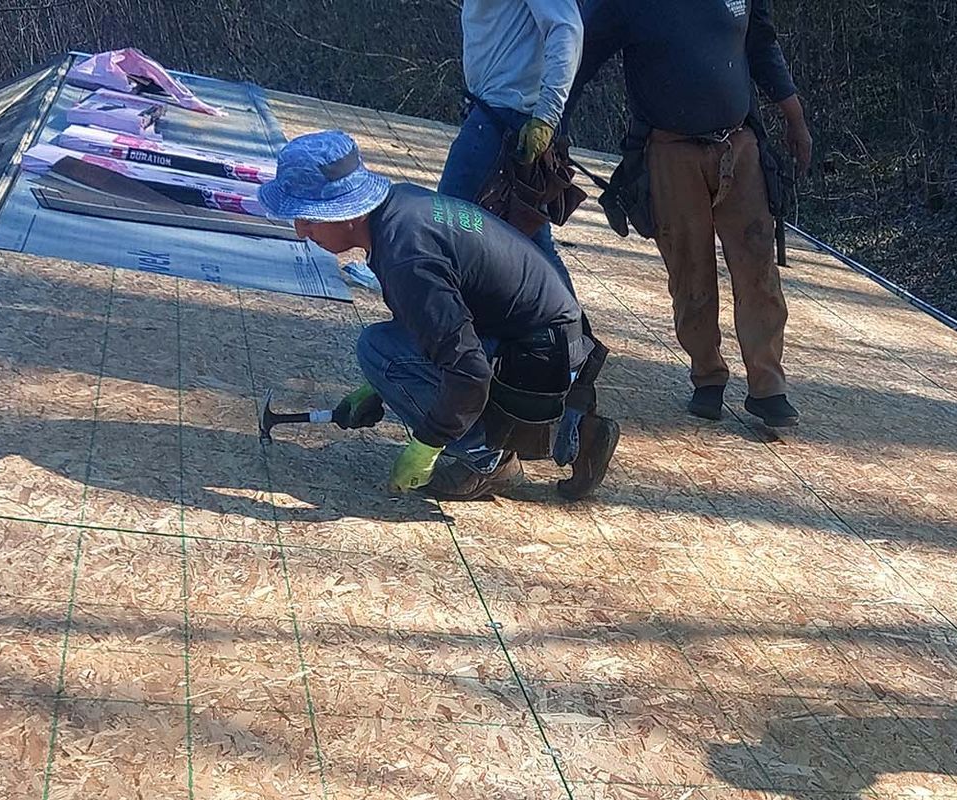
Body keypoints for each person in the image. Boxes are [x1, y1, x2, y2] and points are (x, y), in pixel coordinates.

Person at [258, 130, 618, 502]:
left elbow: (469, 370)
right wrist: (375, 390)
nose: (301, 231)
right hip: (550, 339)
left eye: (308, 217)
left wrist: (427, 444)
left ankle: (488, 459)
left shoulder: (406, 256)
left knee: (378, 350)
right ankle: (580, 432)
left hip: (541, 357)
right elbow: (433, 323)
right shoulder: (400, 208)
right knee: (389, 352)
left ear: (346, 211)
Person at [570, 0, 812, 429]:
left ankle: (768, 387)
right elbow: (580, 55)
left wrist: (794, 116)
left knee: (758, 266)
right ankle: (707, 375)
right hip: (669, 150)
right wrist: (554, 123)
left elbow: (761, 43)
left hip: (739, 144)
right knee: (689, 269)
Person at [440, 0, 582, 284]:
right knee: (529, 242)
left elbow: (567, 29)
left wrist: (546, 116)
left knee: (443, 227)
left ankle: (426, 305)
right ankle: (565, 314)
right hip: (495, 114)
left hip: (502, 117)